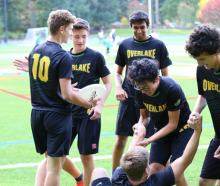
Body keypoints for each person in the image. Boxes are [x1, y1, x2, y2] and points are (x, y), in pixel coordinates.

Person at [14, 18, 112, 186]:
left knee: (85, 157)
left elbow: (108, 83)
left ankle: (83, 182)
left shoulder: (95, 57)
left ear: (88, 35)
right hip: (64, 113)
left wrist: (99, 105)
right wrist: (31, 67)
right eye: (76, 36)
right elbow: (54, 82)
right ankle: (79, 178)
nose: (80, 40)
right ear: (70, 34)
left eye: (84, 36)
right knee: (54, 157)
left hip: (88, 115)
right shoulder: (63, 56)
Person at [112, 10, 172, 175]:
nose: (139, 31)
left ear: (148, 26)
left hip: (153, 101)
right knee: (120, 141)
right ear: (131, 26)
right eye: (135, 27)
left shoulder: (158, 45)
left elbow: (166, 77)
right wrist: (118, 87)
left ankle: (168, 177)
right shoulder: (124, 45)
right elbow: (117, 72)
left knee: (157, 143)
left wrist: (164, 98)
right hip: (129, 99)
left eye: (142, 27)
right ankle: (115, 176)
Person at [127, 58, 193, 185]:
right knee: (154, 173)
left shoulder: (171, 88)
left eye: (146, 88)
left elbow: (173, 124)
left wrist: (149, 140)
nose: (144, 92)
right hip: (160, 130)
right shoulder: (140, 91)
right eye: (141, 88)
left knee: (175, 172)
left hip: (181, 131)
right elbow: (144, 116)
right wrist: (140, 126)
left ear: (156, 79)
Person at [91, 112, 203, 186]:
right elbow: (185, 160)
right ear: (146, 170)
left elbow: (130, 154)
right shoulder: (156, 182)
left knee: (99, 171)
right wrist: (197, 131)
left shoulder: (118, 177)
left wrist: (139, 132)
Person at [185, 23, 220, 186]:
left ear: (216, 51)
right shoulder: (203, 69)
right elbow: (203, 95)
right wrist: (195, 112)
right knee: (204, 181)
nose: (199, 64)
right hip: (219, 136)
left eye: (202, 59)